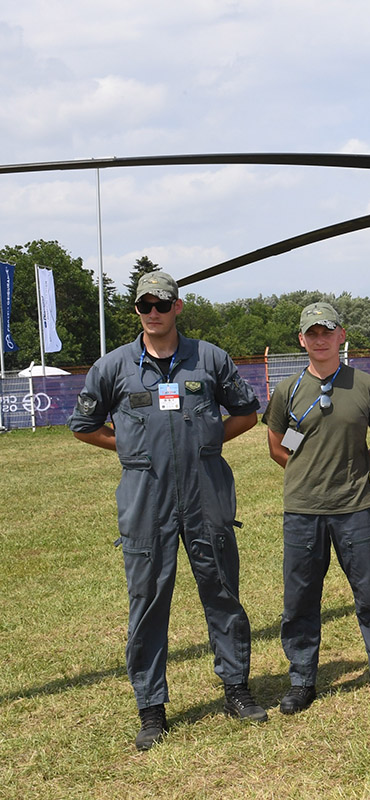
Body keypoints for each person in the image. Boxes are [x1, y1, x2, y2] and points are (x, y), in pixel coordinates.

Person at [67, 270, 266, 751]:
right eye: (144, 305)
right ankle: (151, 708)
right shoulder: (114, 367)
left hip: (206, 497)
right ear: (137, 311)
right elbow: (83, 425)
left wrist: (207, 441)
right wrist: (131, 451)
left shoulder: (209, 358)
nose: (153, 313)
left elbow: (246, 412)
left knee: (221, 591)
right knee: (148, 602)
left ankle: (236, 689)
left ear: (178, 307)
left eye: (162, 304)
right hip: (145, 502)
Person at [264, 302, 370, 715]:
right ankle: (302, 679)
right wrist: (307, 472)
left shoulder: (365, 386)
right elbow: (277, 445)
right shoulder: (288, 390)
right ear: (302, 340)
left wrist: (359, 469)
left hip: (355, 507)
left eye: (327, 331)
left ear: (341, 336)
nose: (320, 339)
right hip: (303, 511)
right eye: (312, 333)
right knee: (301, 598)